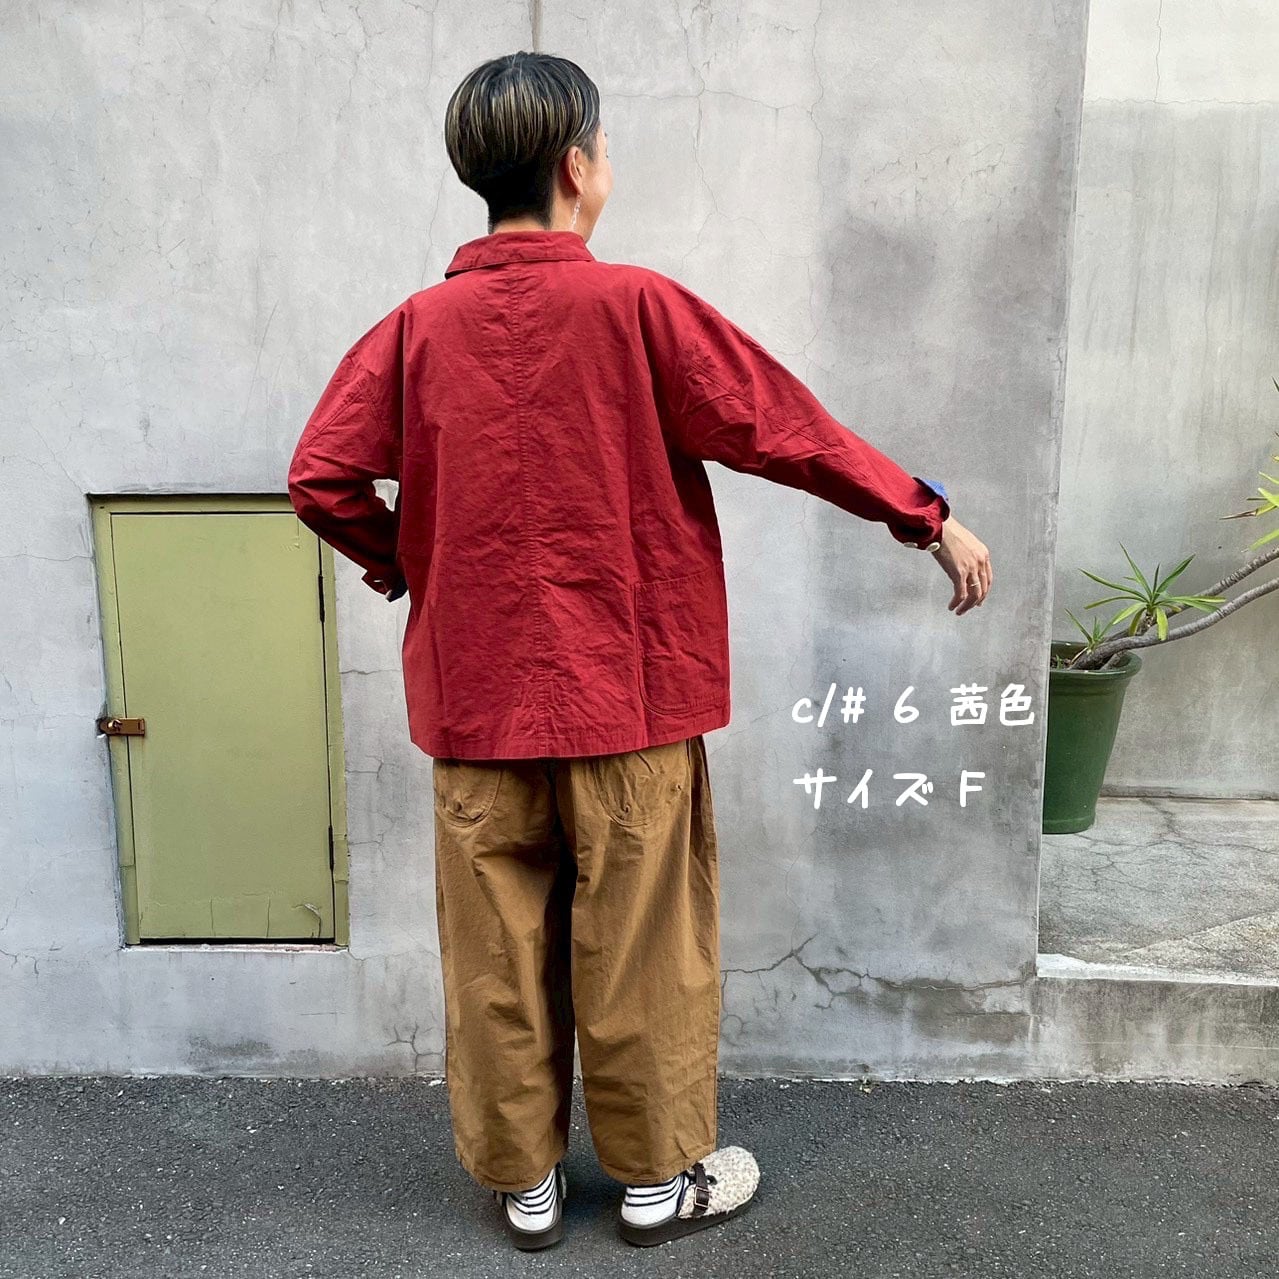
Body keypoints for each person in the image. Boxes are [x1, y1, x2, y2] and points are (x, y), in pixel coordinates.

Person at [287, 50, 993, 1253]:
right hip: (628, 693)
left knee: (498, 954)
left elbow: (319, 475)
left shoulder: (413, 331)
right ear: (576, 168)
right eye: (604, 150)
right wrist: (923, 514)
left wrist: (407, 562)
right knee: (643, 947)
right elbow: (783, 426)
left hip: (476, 704)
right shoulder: (639, 309)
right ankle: (657, 1184)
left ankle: (526, 1185)